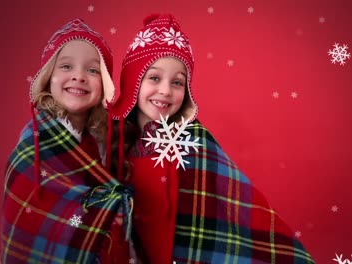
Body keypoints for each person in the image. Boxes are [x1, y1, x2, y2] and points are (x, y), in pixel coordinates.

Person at [111, 14, 315, 263]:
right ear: (133, 80)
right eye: (154, 77)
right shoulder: (112, 141)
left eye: (177, 82)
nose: (165, 90)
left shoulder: (194, 143)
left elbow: (242, 209)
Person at [1, 19, 133, 263]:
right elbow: (34, 220)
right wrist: (114, 204)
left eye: (92, 70)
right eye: (66, 66)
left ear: (104, 86)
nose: (79, 77)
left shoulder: (94, 144)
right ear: (48, 79)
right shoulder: (34, 147)